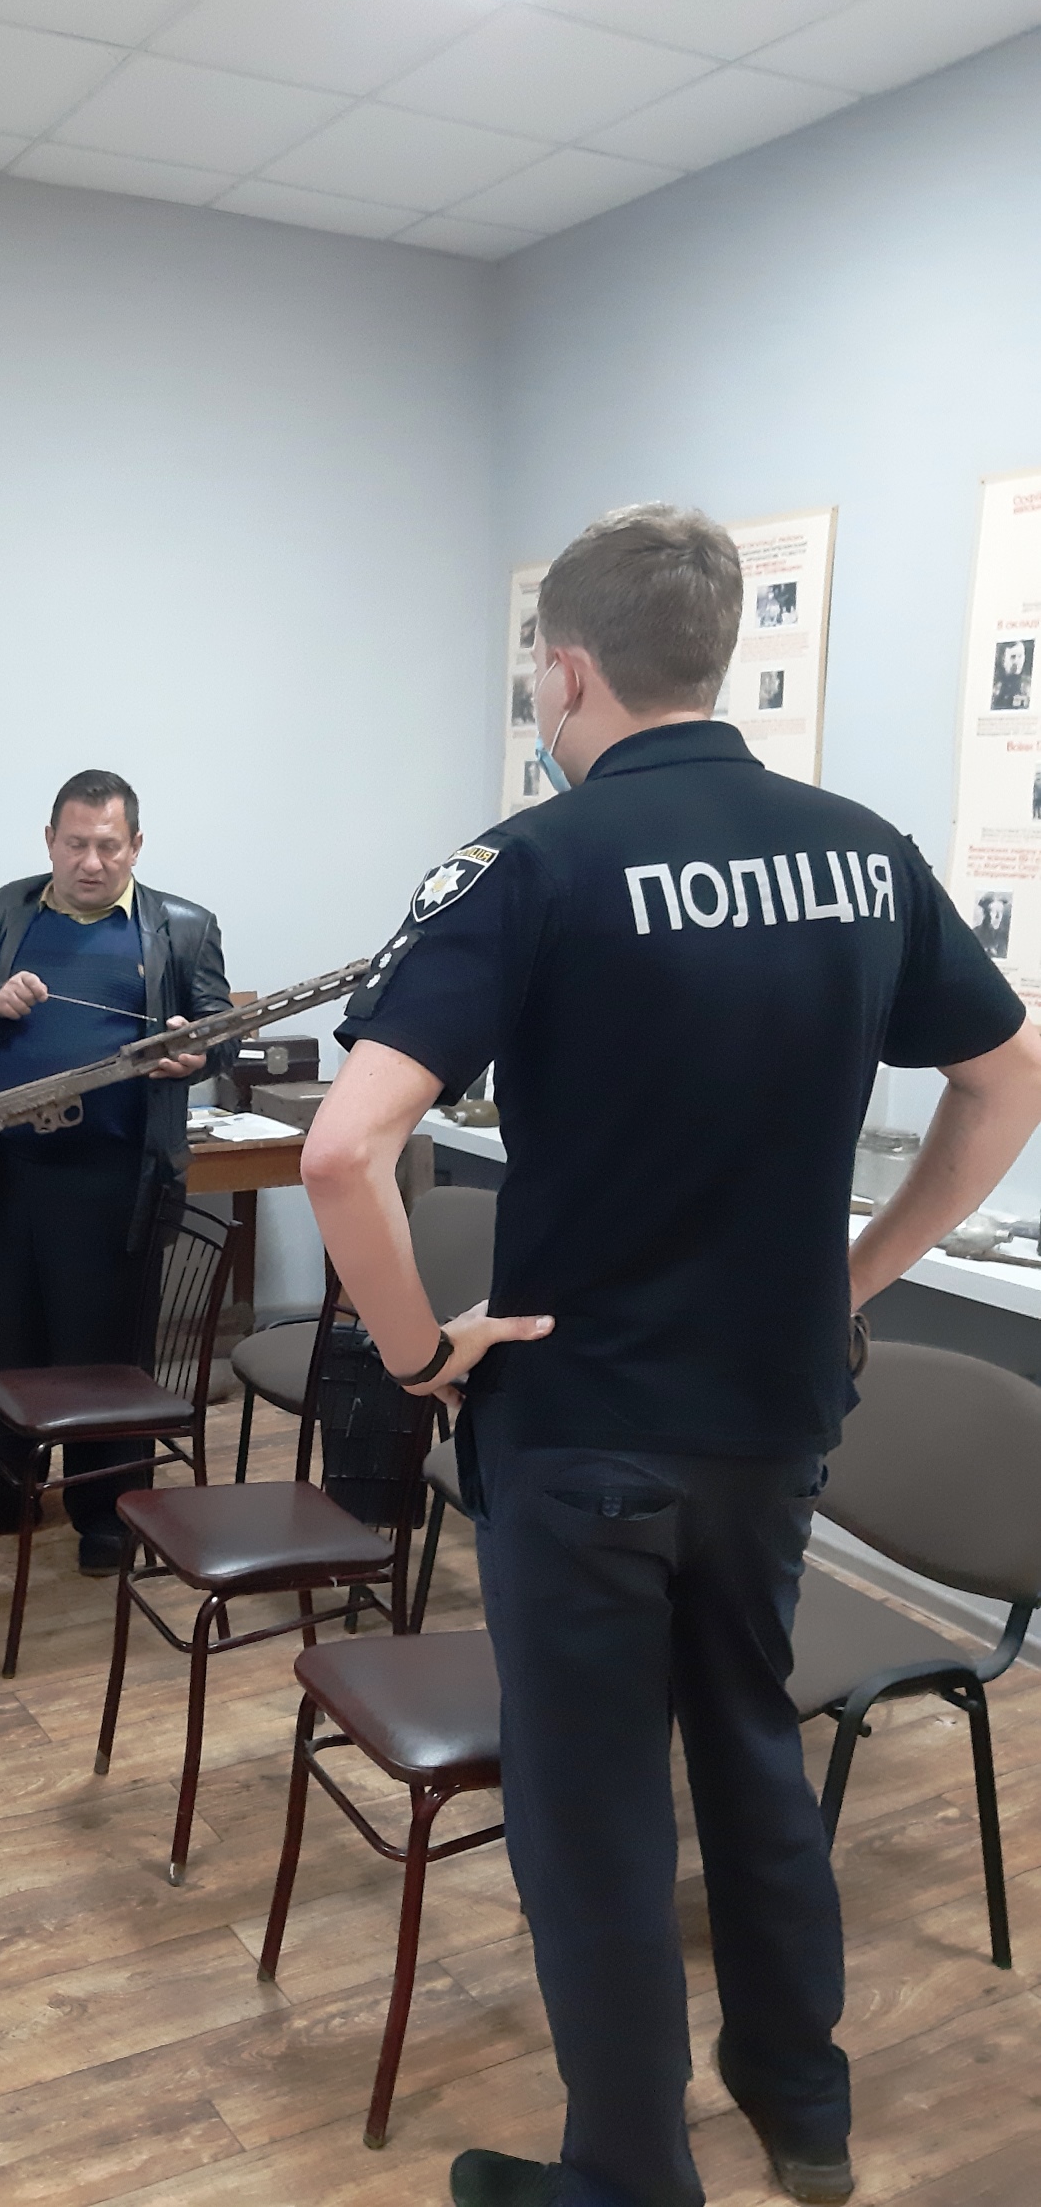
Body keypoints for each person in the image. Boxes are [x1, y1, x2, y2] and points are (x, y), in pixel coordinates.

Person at [301, 506, 1041, 2207]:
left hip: (583, 1428)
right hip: (770, 1414)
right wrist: (857, 1269)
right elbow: (1004, 1075)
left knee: (592, 1815)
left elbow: (341, 1150)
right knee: (748, 1744)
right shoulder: (858, 855)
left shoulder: (528, 864)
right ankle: (801, 2104)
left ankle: (627, 2176)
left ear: (564, 673)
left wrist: (413, 1354)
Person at [0, 769, 234, 1573]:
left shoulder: (182, 927)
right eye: (74, 844)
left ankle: (107, 1510)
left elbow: (221, 1029)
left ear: (136, 845)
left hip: (115, 1182)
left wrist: (200, 1054)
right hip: (10, 1172)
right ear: (49, 842)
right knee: (6, 1345)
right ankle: (2, 1497)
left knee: (106, 1356)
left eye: (108, 845)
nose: (90, 862)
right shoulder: (11, 908)